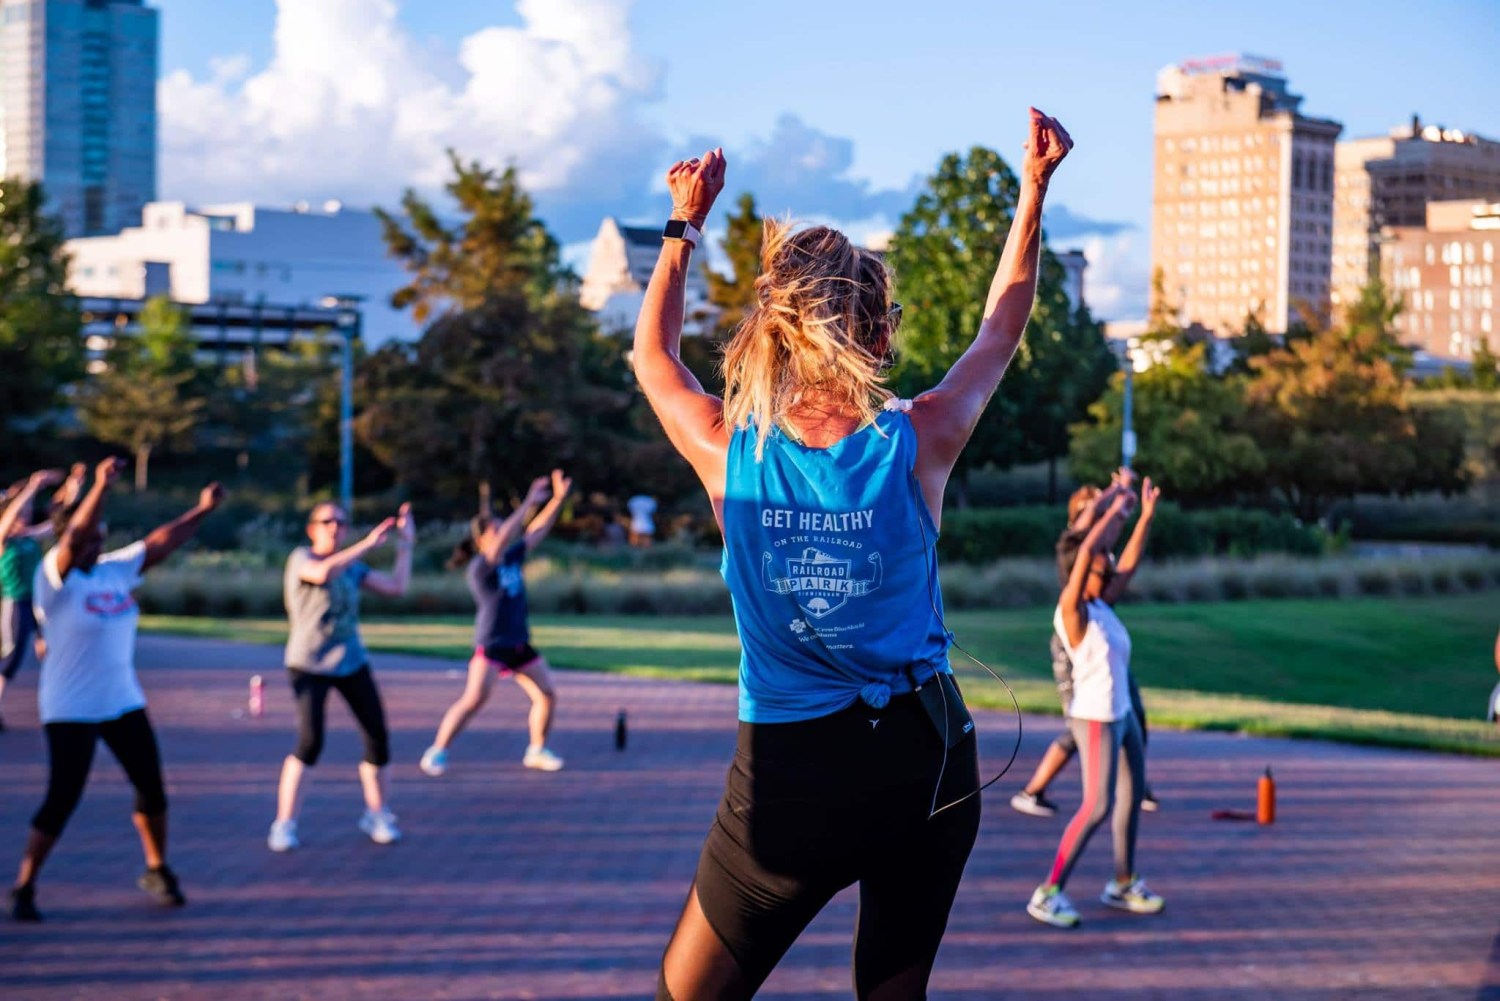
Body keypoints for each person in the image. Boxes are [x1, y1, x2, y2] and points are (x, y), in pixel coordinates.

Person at [635, 108, 1071, 999]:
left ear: (779, 336)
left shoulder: (731, 448)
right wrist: (1032, 192)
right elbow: (1003, 323)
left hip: (791, 779)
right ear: (877, 335)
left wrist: (684, 225)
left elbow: (652, 356)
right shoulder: (923, 436)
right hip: (929, 758)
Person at [9, 458, 225, 922]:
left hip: (123, 701)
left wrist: (202, 510)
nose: (99, 542)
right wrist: (102, 485)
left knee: (152, 789)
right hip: (70, 707)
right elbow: (73, 536)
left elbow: (162, 541)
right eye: (92, 536)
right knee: (62, 798)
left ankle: (157, 868)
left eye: (103, 536)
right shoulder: (54, 579)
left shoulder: (113, 570)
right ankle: (25, 884)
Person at [1026, 478, 1166, 929]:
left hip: (1121, 715)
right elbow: (1087, 550)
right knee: (1096, 806)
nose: (1107, 566)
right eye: (1099, 562)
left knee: (1128, 799)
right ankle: (1048, 893)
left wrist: (1142, 516)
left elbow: (1127, 564)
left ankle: (1123, 883)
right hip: (1095, 718)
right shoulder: (1073, 609)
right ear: (1083, 568)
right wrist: (1114, 507)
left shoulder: (1102, 605)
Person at [267, 500, 415, 853]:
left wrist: (406, 543)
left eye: (342, 522)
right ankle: (284, 824)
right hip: (309, 664)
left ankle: (377, 814)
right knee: (310, 742)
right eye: (327, 521)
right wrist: (367, 543)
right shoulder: (302, 559)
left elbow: (396, 587)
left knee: (377, 736)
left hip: (351, 661)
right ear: (312, 528)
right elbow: (321, 575)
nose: (335, 527)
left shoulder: (354, 568)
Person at [1010, 470, 1159, 817]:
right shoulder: (1072, 549)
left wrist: (1142, 516)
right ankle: (1033, 790)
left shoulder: (1100, 567)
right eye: (1095, 508)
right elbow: (1092, 530)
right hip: (1074, 641)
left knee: (1130, 709)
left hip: (1102, 642)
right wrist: (1116, 495)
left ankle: (1134, 782)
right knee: (1080, 724)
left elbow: (1125, 564)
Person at [420, 469, 572, 777]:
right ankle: (438, 750)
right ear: (482, 539)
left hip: (518, 642)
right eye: (497, 528)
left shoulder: (512, 557)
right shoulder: (481, 566)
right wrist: (529, 500)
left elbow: (536, 531)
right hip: (492, 644)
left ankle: (536, 749)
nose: (504, 531)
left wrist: (556, 500)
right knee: (474, 699)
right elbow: (506, 537)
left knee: (547, 693)